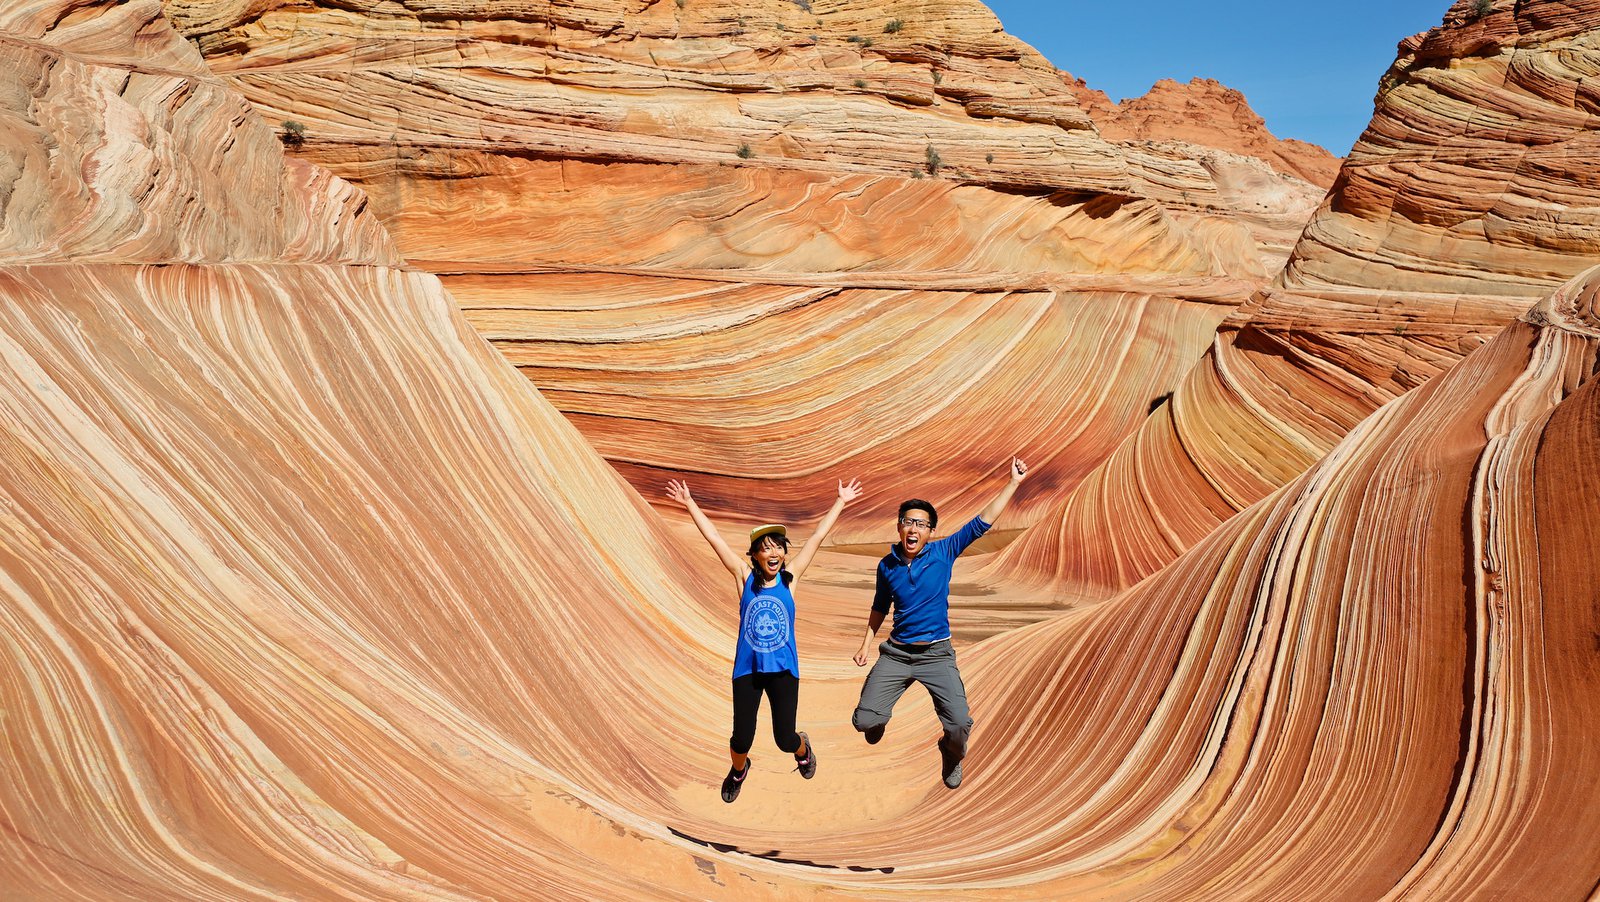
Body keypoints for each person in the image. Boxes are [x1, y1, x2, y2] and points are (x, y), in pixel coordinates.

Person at [666, 477, 864, 802]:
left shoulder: (791, 578)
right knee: (740, 739)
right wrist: (689, 502)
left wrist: (841, 500)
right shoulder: (743, 578)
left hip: (784, 672)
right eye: (764, 547)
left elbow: (817, 536)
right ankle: (739, 770)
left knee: (784, 738)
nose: (772, 552)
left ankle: (803, 749)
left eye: (777, 547)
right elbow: (714, 538)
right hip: (748, 671)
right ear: (755, 555)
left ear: (785, 554)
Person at [850, 457, 1027, 789]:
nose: (913, 529)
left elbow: (982, 522)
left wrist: (1013, 483)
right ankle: (877, 719)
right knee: (863, 721)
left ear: (930, 532)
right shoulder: (886, 566)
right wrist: (865, 644)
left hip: (936, 655)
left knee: (960, 723)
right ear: (899, 527)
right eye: (908, 522)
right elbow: (879, 606)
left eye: (921, 524)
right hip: (896, 655)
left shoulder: (944, 551)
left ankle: (950, 753)